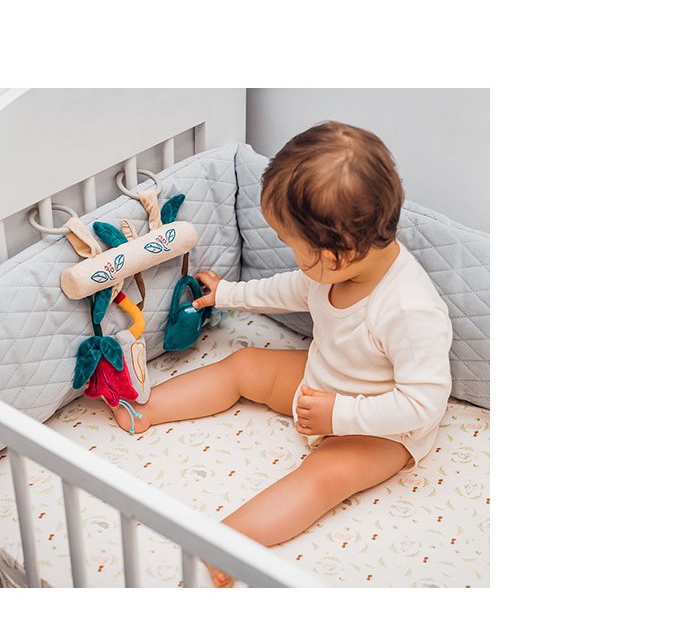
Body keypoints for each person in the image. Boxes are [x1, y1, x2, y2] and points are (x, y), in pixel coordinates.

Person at [110, 121, 453, 586]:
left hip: (384, 427)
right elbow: (292, 290)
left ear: (334, 257)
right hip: (323, 380)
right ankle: (146, 409)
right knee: (245, 365)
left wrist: (340, 415)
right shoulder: (332, 270)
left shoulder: (410, 310)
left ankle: (228, 544)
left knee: (322, 476)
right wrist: (228, 294)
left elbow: (422, 404)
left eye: (295, 248)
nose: (293, 259)